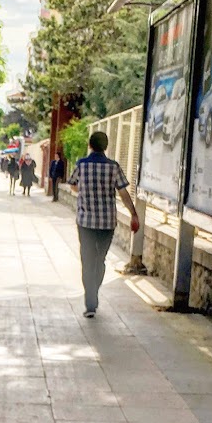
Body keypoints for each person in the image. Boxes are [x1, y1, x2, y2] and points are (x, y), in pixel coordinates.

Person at [68, 129, 139, 319]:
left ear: (90, 146)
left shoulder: (81, 165)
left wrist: (83, 191)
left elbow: (73, 185)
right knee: (100, 260)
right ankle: (95, 291)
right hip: (107, 223)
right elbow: (124, 193)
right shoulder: (113, 167)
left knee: (87, 259)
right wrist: (134, 214)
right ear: (106, 147)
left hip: (85, 221)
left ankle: (90, 301)